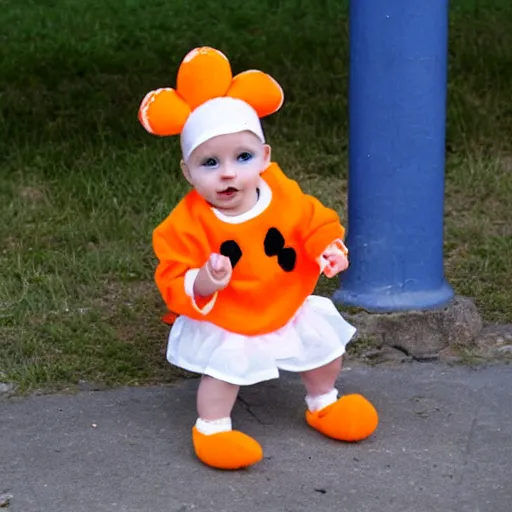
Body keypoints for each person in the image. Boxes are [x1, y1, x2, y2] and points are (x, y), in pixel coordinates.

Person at [139, 46, 379, 471]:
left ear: (265, 159)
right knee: (224, 371)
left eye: (242, 157)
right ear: (188, 172)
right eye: (210, 163)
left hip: (284, 297)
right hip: (231, 312)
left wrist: (328, 247)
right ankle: (212, 427)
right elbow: (173, 273)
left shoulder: (280, 190)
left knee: (324, 349)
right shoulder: (185, 224)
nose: (228, 173)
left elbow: (312, 219)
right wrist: (205, 281)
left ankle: (323, 400)